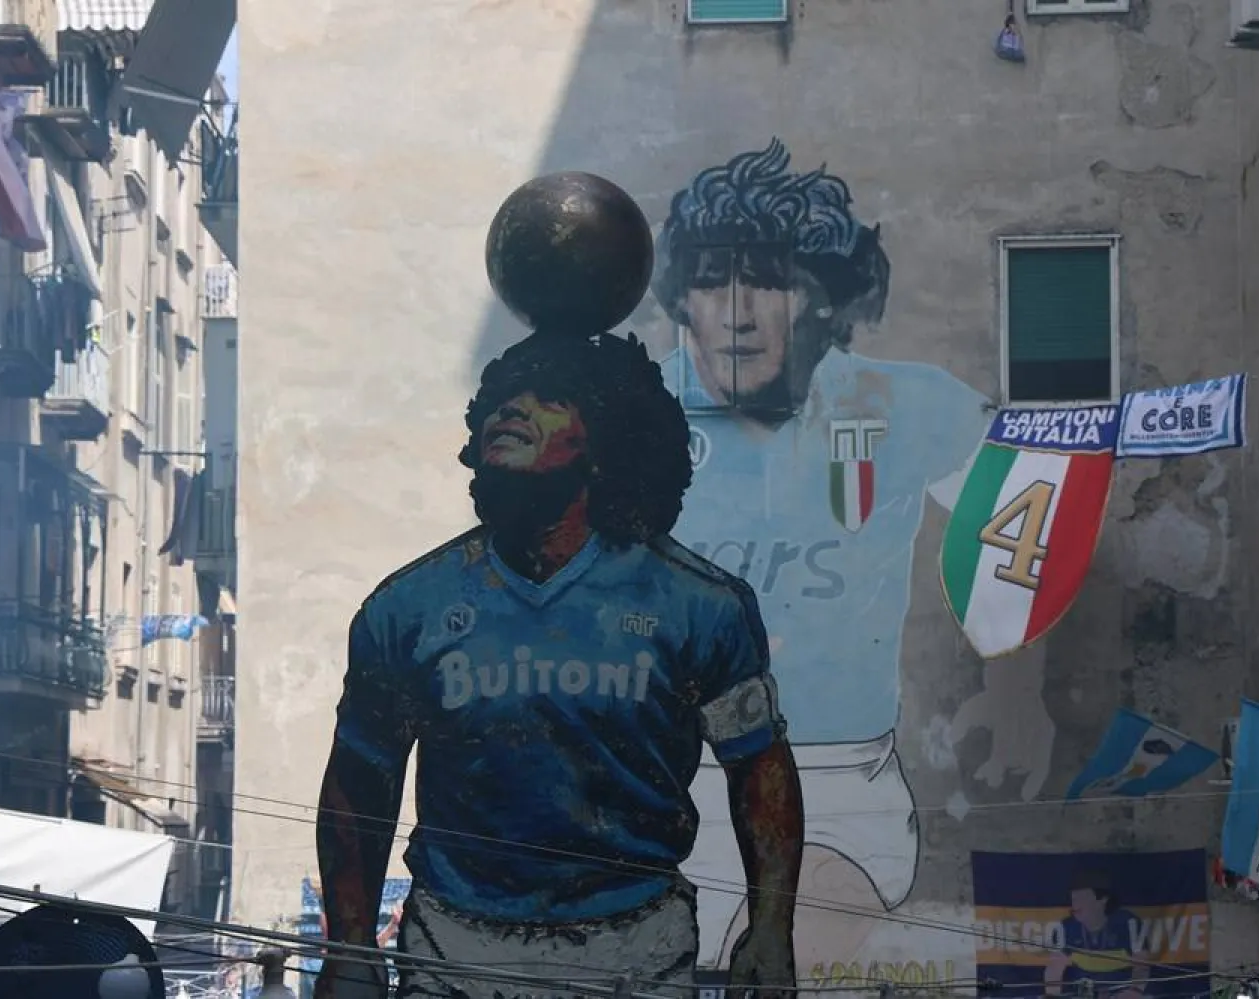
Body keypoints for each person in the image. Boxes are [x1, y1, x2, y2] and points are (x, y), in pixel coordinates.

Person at [314, 332, 806, 999]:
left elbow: (759, 767)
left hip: (634, 947)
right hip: (453, 947)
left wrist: (771, 927)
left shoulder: (699, 605)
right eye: (500, 400)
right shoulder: (408, 607)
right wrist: (347, 948)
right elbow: (359, 780)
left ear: (605, 443)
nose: (511, 412)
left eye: (549, 399)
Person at [652, 140, 994, 964]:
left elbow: (1030, 503)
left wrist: (1020, 697)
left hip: (838, 780)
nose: (736, 311)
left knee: (811, 955)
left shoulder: (909, 403)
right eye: (709, 279)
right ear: (680, 299)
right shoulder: (638, 413)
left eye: (767, 278)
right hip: (661, 778)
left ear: (819, 300)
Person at [1043, 870, 1148, 998]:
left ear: (1103, 899)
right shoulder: (1065, 928)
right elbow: (1054, 968)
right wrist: (1052, 996)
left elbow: (1141, 965)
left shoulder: (1129, 923)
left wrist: (1135, 991)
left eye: (1082, 898)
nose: (1075, 905)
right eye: (1073, 899)